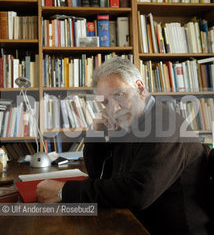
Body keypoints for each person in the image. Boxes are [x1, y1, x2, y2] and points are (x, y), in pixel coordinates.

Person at [36, 57, 211, 234]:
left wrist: (64, 192)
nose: (114, 108)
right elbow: (100, 175)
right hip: (137, 222)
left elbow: (136, 192)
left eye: (119, 95)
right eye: (105, 102)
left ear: (141, 89)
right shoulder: (131, 123)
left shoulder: (164, 125)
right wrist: (96, 135)